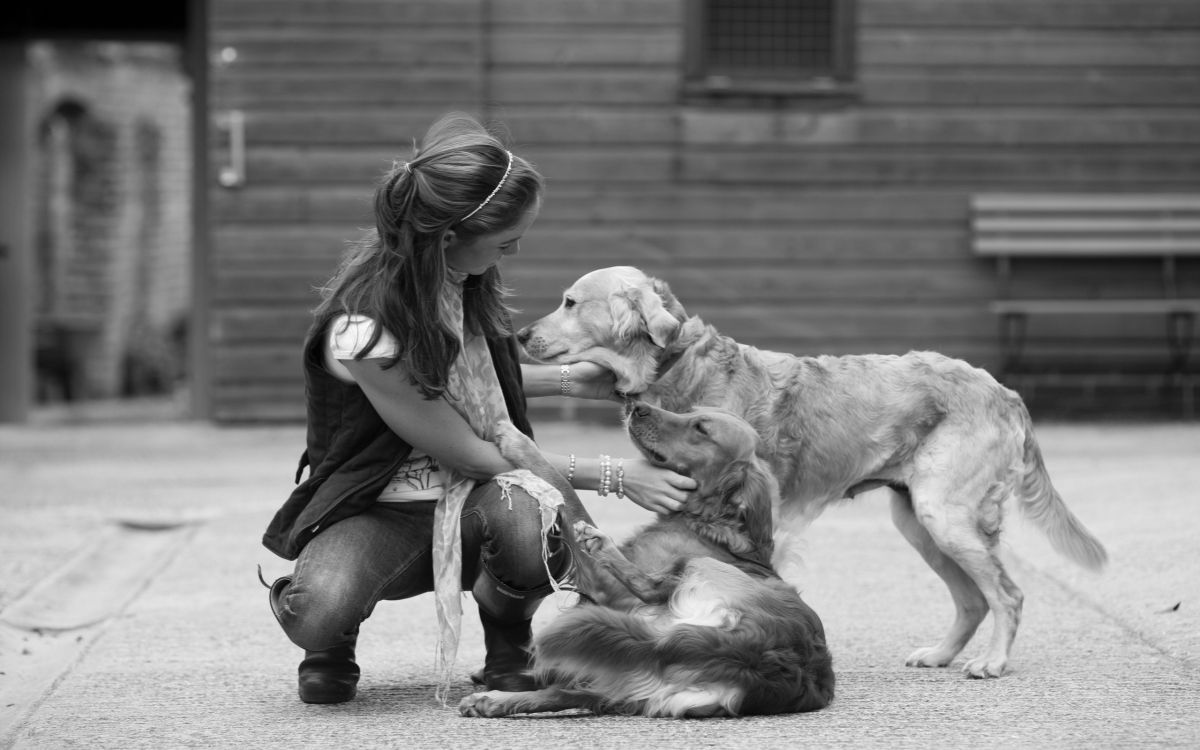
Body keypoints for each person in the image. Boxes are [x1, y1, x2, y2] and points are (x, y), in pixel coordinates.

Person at [259, 112, 696, 705]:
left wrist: (574, 380)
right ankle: (330, 638)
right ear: (446, 237)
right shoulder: (361, 331)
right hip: (378, 510)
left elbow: (472, 386)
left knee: (525, 527)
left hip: (474, 505)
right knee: (319, 607)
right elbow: (473, 449)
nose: (513, 251)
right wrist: (615, 476)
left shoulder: (459, 279)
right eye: (505, 241)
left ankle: (508, 640)